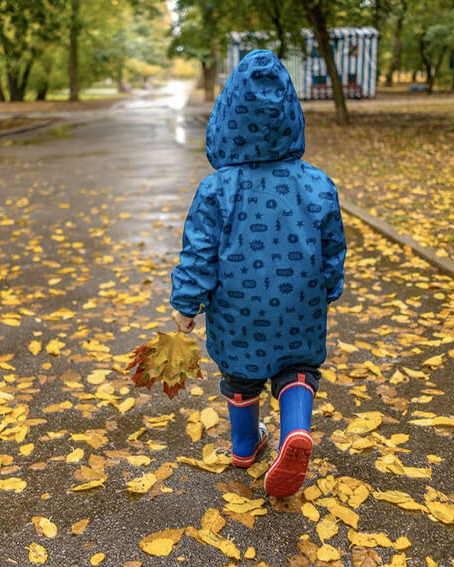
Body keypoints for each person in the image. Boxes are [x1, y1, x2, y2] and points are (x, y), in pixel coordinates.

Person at [169, 49, 347, 498]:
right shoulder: (317, 183)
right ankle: (294, 433)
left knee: (241, 374)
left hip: (237, 310)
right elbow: (332, 246)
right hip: (299, 303)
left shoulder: (216, 189)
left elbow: (199, 251)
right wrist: (329, 288)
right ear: (291, 116)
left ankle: (246, 445)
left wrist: (185, 303)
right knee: (298, 369)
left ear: (226, 118)